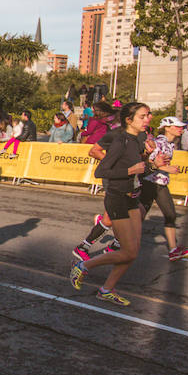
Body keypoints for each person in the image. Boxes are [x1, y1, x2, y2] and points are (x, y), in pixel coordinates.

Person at [70, 103, 152, 306]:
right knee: (129, 251)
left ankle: (106, 290)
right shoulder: (121, 140)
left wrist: (152, 163)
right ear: (129, 120)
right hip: (118, 199)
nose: (147, 119)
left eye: (148, 115)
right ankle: (83, 265)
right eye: (143, 116)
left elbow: (139, 170)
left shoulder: (138, 139)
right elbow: (101, 172)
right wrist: (130, 171)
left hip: (133, 197)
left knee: (133, 251)